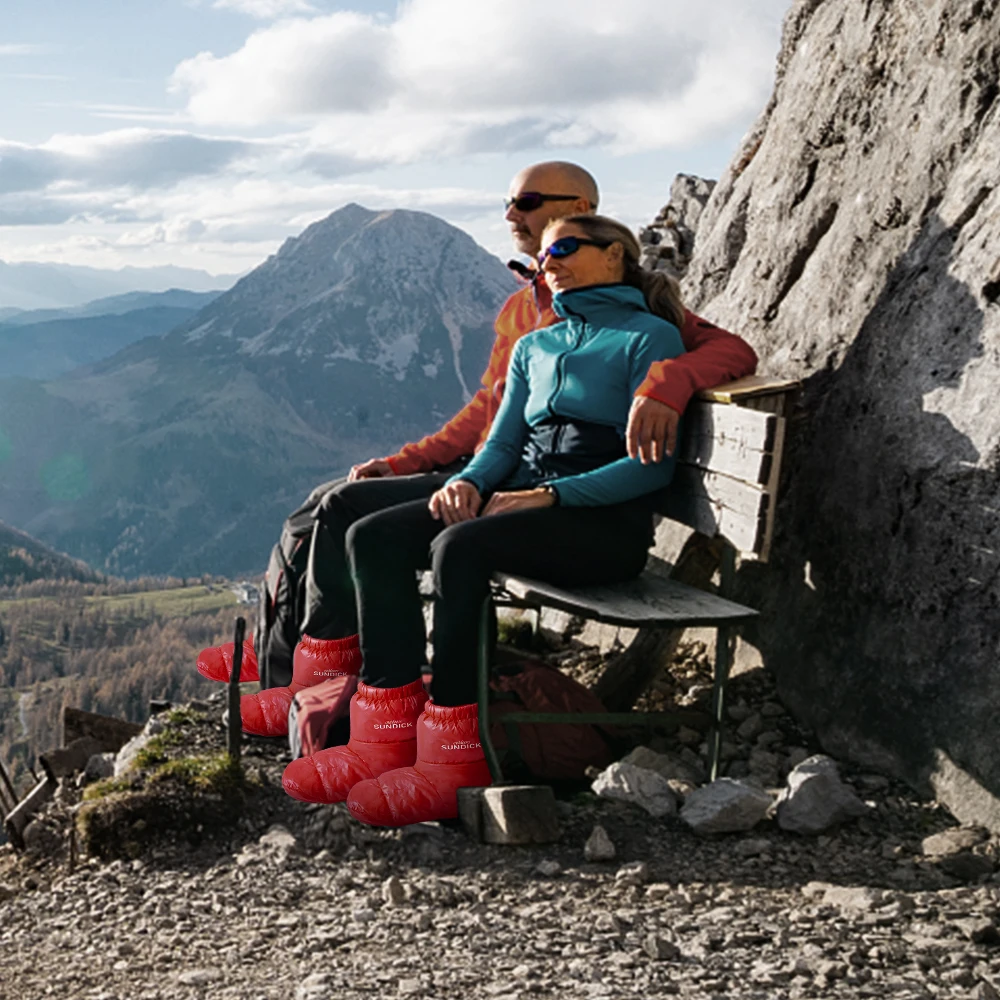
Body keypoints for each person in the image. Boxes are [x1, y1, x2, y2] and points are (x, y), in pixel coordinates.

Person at [196, 161, 758, 738]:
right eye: (511, 203)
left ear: (586, 214)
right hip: (496, 468)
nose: (513, 214)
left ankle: (394, 707)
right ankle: (313, 685)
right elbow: (489, 414)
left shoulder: (638, 313)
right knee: (335, 505)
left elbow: (729, 351)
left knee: (378, 523)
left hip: (548, 491)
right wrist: (409, 463)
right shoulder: (525, 313)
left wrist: (668, 384)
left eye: (531, 202)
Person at [282, 213, 689, 826]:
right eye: (543, 257)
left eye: (567, 249)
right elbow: (501, 445)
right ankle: (385, 737)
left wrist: (551, 496)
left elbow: (650, 471)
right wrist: (468, 483)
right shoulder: (536, 344)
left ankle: (453, 762)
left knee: (459, 550)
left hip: (603, 526)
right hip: (520, 503)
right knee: (374, 537)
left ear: (615, 257)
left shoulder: (649, 339)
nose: (549, 264)